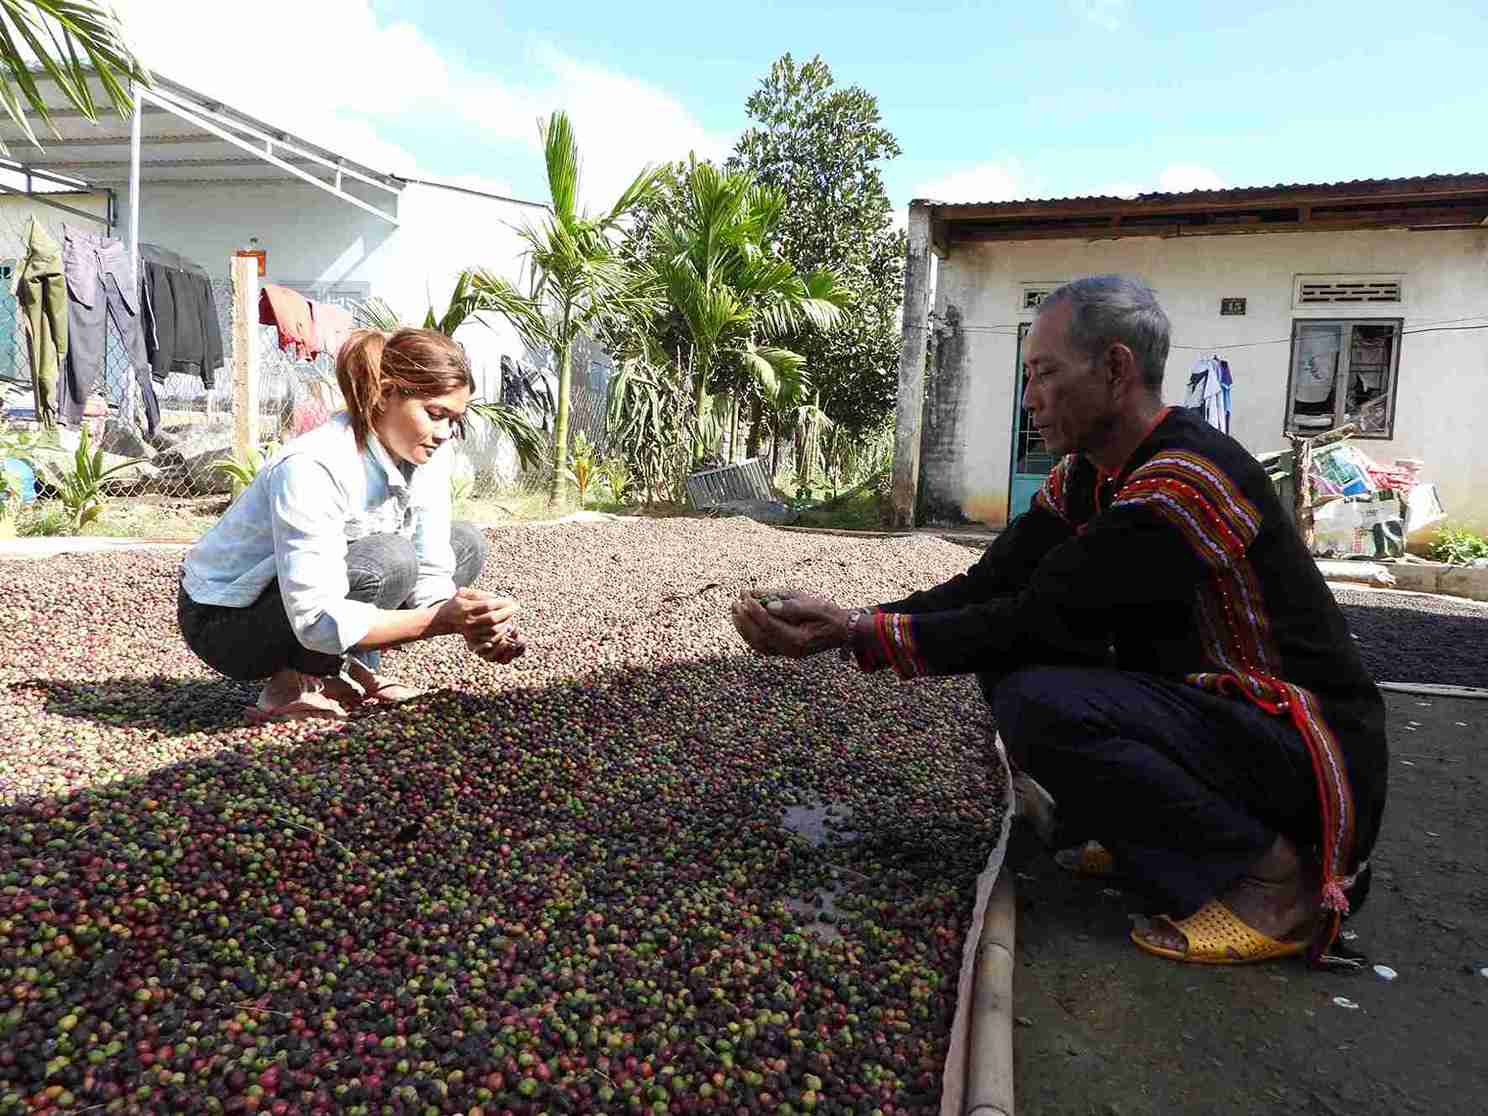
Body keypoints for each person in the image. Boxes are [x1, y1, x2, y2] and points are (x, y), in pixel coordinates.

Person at [732, 275, 1387, 967]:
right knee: (1016, 666)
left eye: (1044, 374)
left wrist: (855, 632)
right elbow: (992, 585)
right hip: (1218, 719)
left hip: (1304, 746)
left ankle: (1279, 883)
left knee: (1039, 700)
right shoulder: (1088, 476)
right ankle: (1145, 835)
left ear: (1114, 369)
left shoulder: (1185, 482)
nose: (1029, 399)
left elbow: (1041, 617)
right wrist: (854, 621)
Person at [178, 328, 526, 723]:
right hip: (226, 623)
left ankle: (348, 669)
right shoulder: (315, 465)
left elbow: (431, 574)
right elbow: (314, 619)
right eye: (435, 414)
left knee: (465, 542)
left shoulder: (424, 455)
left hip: (299, 605)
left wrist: (475, 627)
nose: (445, 433)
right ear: (384, 394)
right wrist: (441, 620)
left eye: (454, 420)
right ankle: (293, 684)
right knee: (392, 557)